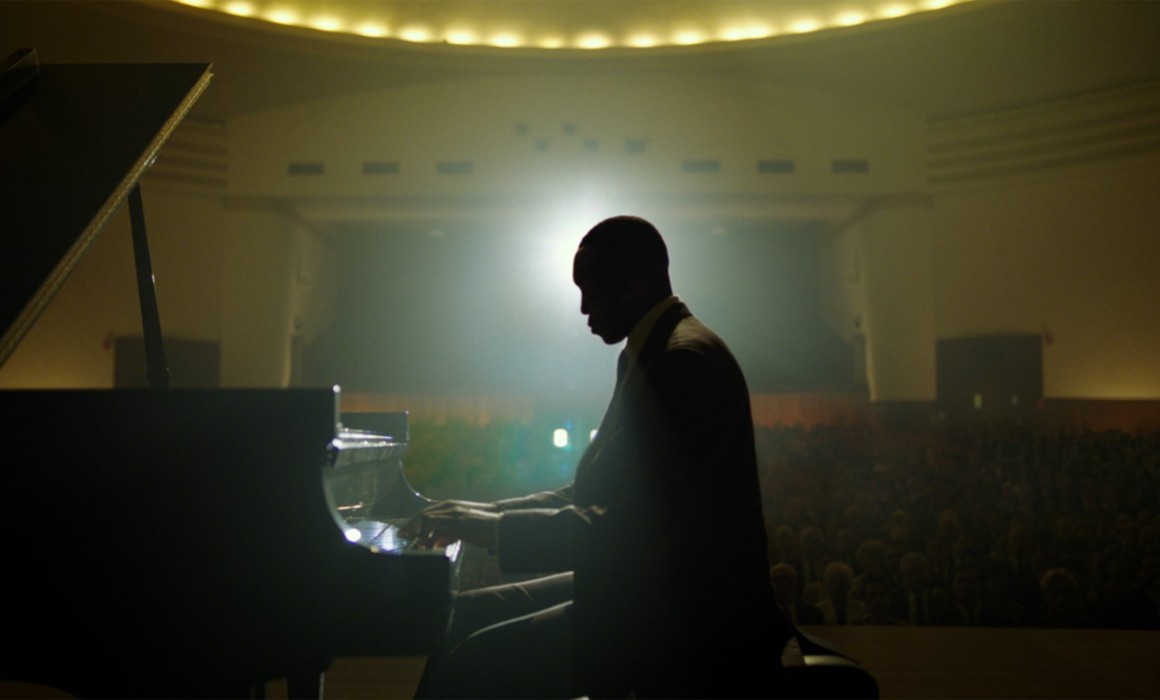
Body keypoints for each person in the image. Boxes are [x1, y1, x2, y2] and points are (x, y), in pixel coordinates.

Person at [401, 215, 794, 698]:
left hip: (692, 622)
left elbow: (629, 529)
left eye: (589, 291)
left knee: (474, 662)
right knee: (459, 615)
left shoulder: (682, 362)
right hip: (656, 591)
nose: (584, 309)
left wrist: (494, 529)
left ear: (629, 286)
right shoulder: (657, 350)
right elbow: (599, 493)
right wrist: (485, 513)